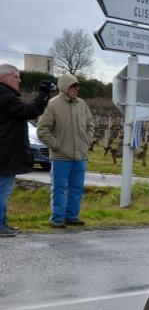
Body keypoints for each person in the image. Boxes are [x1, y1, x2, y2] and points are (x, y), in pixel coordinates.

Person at [36, 74, 95, 228]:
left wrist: (86, 142)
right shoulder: (52, 105)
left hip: (80, 155)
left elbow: (91, 125)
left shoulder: (82, 104)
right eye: (72, 86)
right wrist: (56, 145)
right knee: (59, 188)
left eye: (77, 87)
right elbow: (42, 130)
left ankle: (72, 216)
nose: (76, 89)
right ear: (64, 87)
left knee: (77, 188)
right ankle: (57, 218)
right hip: (60, 157)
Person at [0, 64, 51, 236]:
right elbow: (28, 111)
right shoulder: (5, 96)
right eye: (16, 76)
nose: (19, 80)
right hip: (5, 154)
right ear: (4, 78)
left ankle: (2, 223)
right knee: (2, 191)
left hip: (4, 152)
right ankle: (0, 225)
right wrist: (43, 95)